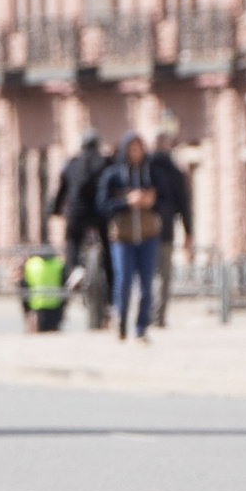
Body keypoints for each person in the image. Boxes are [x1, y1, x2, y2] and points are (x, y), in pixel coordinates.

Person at [94, 131, 182, 342]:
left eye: (139, 148)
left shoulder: (153, 175)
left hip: (148, 235)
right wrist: (126, 201)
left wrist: (151, 202)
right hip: (122, 237)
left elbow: (167, 202)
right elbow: (102, 206)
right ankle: (121, 322)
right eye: (132, 149)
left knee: (146, 284)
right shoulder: (114, 176)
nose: (135, 153)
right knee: (123, 281)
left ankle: (142, 327)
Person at [51, 132, 109, 330]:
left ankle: (75, 268)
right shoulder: (105, 162)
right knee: (109, 248)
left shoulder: (71, 163)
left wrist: (55, 209)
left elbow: (61, 190)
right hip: (101, 213)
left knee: (72, 240)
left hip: (76, 213)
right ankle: (110, 289)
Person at [149, 122, 193, 330]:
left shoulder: (142, 168)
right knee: (164, 275)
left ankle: (147, 313)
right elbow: (184, 204)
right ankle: (159, 316)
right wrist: (188, 232)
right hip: (166, 229)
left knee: (146, 273)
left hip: (144, 230)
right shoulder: (175, 171)